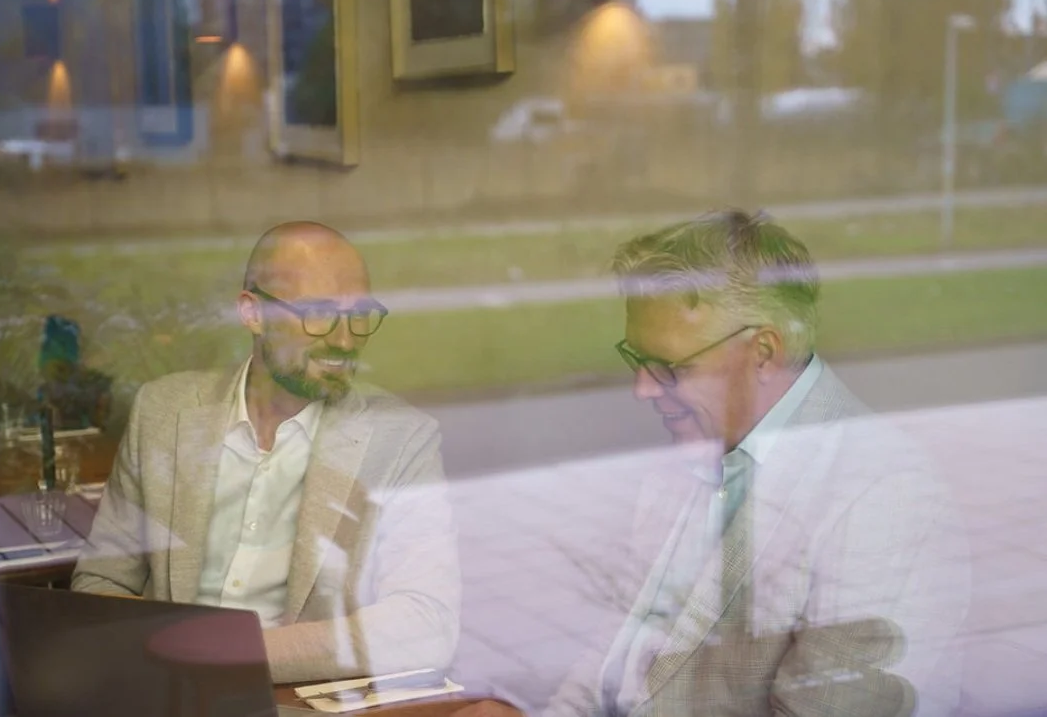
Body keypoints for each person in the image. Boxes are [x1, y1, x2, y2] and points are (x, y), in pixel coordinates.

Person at [456, 210, 970, 717]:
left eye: (669, 367)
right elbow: (620, 654)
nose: (643, 390)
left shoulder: (884, 497)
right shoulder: (694, 451)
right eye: (637, 361)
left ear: (764, 352)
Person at [72, 222, 460, 683]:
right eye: (317, 313)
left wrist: (227, 651)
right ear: (252, 313)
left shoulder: (403, 439)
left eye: (359, 314)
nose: (344, 340)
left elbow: (426, 624)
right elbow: (100, 584)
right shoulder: (163, 412)